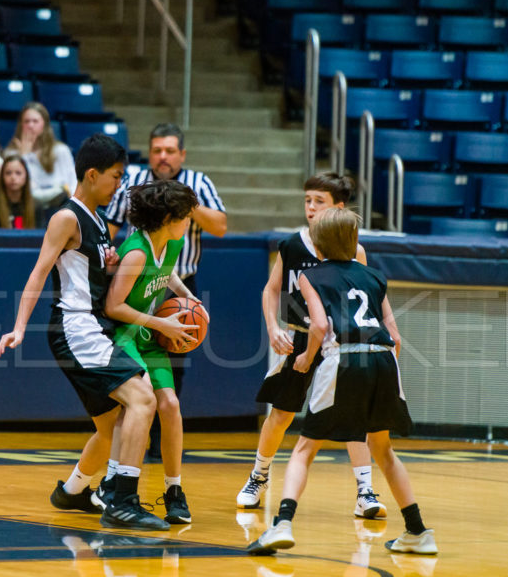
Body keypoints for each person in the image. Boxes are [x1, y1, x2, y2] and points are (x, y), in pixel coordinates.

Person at [0, 133, 171, 531]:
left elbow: (85, 274)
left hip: (93, 325)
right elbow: (40, 271)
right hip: (76, 326)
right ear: (91, 175)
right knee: (143, 399)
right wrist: (18, 328)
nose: (118, 185)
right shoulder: (66, 217)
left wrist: (105, 266)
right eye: (114, 176)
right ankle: (123, 500)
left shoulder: (98, 221)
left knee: (111, 426)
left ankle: (73, 491)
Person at [247, 207, 436, 556]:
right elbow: (394, 335)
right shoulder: (373, 276)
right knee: (384, 450)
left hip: (344, 358)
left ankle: (281, 526)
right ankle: (418, 530)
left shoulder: (311, 276)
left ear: (318, 247)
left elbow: (318, 326)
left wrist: (305, 358)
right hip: (382, 358)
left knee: (304, 449)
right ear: (354, 242)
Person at [236, 172, 384, 520]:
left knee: (354, 418)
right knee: (282, 414)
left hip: (341, 344)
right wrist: (273, 327)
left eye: (320, 201)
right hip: (300, 338)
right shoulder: (291, 245)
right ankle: (258, 476)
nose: (312, 207)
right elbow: (271, 289)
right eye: (308, 200)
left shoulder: (354, 249)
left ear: (339, 207)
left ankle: (365, 491)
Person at [105, 122, 227, 458]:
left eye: (170, 151)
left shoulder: (198, 183)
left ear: (181, 154)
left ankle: (160, 447)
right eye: (157, 150)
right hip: (134, 288)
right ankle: (122, 462)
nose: (162, 157)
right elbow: (109, 228)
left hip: (176, 283)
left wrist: (182, 201)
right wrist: (109, 257)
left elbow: (219, 226)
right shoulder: (131, 185)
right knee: (135, 387)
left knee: (175, 365)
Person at [102, 179, 202, 525]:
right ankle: (117, 483)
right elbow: (113, 306)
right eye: (187, 216)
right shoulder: (136, 253)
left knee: (171, 405)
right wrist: (163, 325)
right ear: (170, 218)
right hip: (125, 336)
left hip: (147, 334)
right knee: (140, 404)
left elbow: (167, 273)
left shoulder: (170, 245)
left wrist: (187, 298)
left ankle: (174, 490)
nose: (191, 222)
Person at [6, 102, 76, 210]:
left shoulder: (60, 151)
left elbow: (72, 182)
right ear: (21, 125)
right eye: (26, 121)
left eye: (35, 121)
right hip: (28, 208)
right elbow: (25, 189)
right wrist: (24, 157)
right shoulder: (12, 154)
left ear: (44, 125)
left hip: (60, 204)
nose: (30, 125)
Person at [0, 154, 42, 229]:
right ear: (2, 177)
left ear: (26, 177)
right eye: (8, 173)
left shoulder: (36, 206)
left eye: (18, 173)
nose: (13, 177)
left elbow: (40, 236)